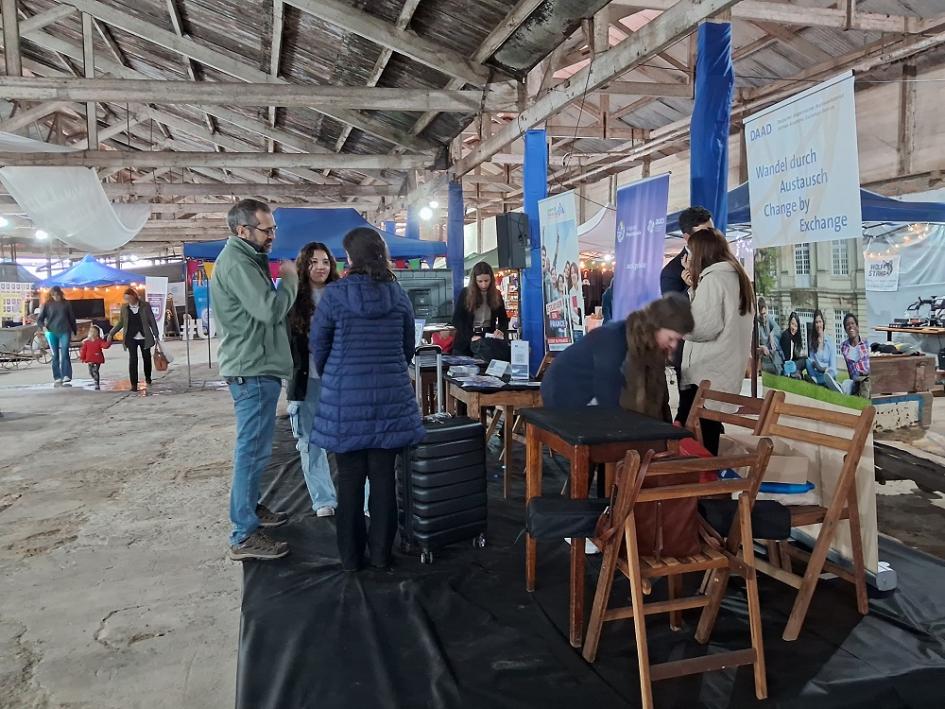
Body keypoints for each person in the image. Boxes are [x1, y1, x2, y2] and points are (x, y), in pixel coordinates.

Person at [311, 228, 425, 572]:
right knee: (384, 480)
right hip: (390, 399)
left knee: (349, 482)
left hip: (346, 401)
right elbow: (408, 348)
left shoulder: (334, 296)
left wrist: (337, 373)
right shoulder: (398, 295)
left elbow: (319, 347)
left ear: (350, 259)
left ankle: (350, 560)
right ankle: (380, 556)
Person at [212, 198, 298, 561]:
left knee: (258, 450)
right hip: (251, 369)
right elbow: (269, 309)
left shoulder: (248, 259)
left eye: (273, 229)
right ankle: (243, 534)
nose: (272, 236)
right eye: (266, 230)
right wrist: (290, 280)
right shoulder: (237, 264)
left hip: (257, 366)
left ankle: (250, 508)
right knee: (250, 452)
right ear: (242, 230)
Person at [541, 293, 693, 416]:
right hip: (565, 392)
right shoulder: (613, 338)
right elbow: (607, 391)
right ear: (656, 326)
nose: (674, 345)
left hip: (594, 391)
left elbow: (658, 392)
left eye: (677, 340)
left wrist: (665, 431)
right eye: (671, 338)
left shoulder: (653, 345)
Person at [678, 228, 755, 455]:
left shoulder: (714, 280)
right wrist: (694, 288)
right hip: (725, 370)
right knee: (710, 435)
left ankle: (706, 487)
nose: (688, 259)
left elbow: (701, 326)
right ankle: (712, 486)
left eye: (690, 253)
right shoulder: (738, 277)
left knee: (700, 443)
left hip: (706, 373)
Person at [287, 241, 339, 518]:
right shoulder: (293, 297)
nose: (320, 267)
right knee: (310, 442)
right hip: (308, 381)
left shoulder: (341, 294)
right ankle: (323, 500)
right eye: (314, 261)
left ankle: (362, 498)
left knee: (350, 440)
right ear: (304, 265)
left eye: (326, 261)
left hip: (339, 380)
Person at [107, 288, 161, 393]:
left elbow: (151, 320)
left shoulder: (145, 306)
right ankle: (134, 384)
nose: (128, 301)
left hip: (144, 336)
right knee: (133, 359)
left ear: (134, 296)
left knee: (146, 357)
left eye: (130, 298)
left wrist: (156, 334)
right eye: (126, 299)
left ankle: (148, 377)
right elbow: (121, 323)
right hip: (130, 337)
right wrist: (111, 333)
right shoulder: (124, 308)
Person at [451, 261, 509, 357]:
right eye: (480, 281)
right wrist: (471, 336)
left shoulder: (497, 294)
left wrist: (501, 330)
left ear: (491, 279)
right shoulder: (465, 293)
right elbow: (457, 320)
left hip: (488, 339)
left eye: (486, 281)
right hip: (466, 340)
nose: (484, 285)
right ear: (474, 281)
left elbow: (503, 319)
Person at [660, 206, 714, 297]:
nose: (711, 237)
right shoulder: (671, 273)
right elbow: (674, 309)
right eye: (704, 234)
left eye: (712, 231)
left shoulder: (721, 258)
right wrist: (692, 286)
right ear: (687, 237)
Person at [36, 285, 77, 386]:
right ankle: (57, 376)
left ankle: (66, 375)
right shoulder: (47, 304)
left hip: (65, 330)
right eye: (54, 295)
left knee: (64, 352)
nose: (56, 297)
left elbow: (71, 317)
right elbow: (40, 319)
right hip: (51, 332)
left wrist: (74, 330)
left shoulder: (66, 303)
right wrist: (43, 327)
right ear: (51, 295)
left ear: (60, 294)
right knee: (55, 355)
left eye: (57, 295)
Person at [840, 313, 871, 398]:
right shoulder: (844, 346)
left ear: (857, 327)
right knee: (847, 385)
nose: (850, 326)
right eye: (847, 325)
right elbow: (848, 366)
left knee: (866, 382)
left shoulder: (866, 343)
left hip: (867, 377)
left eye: (852, 323)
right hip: (855, 379)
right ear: (845, 329)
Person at [805, 309, 838, 387]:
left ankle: (822, 381)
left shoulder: (830, 341)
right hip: (816, 372)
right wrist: (815, 365)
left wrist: (824, 369)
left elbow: (833, 366)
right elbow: (811, 361)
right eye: (816, 322)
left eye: (820, 322)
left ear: (823, 323)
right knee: (807, 361)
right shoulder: (812, 341)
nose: (818, 325)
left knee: (830, 375)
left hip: (827, 372)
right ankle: (815, 380)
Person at [756, 297, 783, 375]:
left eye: (764, 314)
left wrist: (771, 334)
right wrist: (762, 347)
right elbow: (755, 344)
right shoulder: (756, 322)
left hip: (770, 349)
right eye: (761, 314)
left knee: (775, 338)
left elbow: (777, 328)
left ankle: (778, 366)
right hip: (762, 350)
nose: (763, 317)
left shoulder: (769, 318)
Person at [79, 325, 110, 390]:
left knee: (95, 371)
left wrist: (109, 341)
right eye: (91, 331)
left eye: (94, 331)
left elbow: (105, 346)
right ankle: (94, 378)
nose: (92, 333)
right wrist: (82, 357)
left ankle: (97, 383)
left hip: (97, 358)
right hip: (89, 359)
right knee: (91, 372)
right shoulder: (86, 342)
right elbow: (84, 350)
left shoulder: (99, 341)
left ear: (97, 333)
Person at [779, 312, 807, 377]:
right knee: (804, 361)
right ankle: (795, 373)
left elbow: (795, 356)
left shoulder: (795, 338)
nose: (794, 328)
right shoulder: (786, 335)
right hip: (786, 364)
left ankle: (797, 373)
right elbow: (786, 358)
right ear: (789, 323)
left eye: (796, 326)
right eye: (792, 324)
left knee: (806, 360)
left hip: (792, 363)